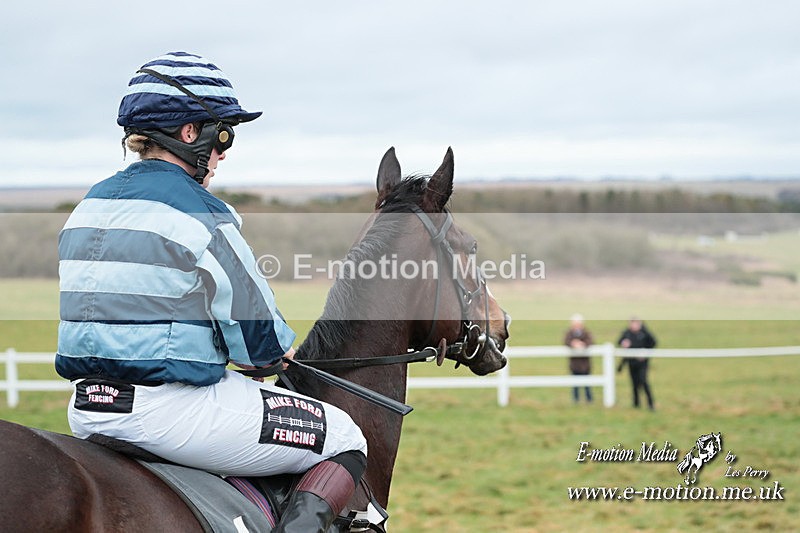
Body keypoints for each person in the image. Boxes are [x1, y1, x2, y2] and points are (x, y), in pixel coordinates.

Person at [55, 51, 367, 532]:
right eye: (223, 135)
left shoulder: (89, 205)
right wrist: (267, 359)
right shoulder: (203, 212)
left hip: (89, 408)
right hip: (170, 413)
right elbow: (258, 342)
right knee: (346, 437)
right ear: (189, 133)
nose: (222, 155)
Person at [617, 317, 657, 410]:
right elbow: (619, 341)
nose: (634, 326)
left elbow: (653, 342)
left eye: (636, 324)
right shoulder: (627, 333)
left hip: (642, 363)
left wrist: (646, 353)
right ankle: (636, 404)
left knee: (643, 381)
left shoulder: (644, 333)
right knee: (634, 383)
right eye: (632, 324)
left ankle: (650, 403)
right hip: (631, 362)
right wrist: (623, 343)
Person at [564, 314, 593, 403]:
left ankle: (589, 399)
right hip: (574, 364)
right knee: (575, 384)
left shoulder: (586, 333)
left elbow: (590, 341)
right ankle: (575, 400)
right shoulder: (569, 333)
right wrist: (573, 343)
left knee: (587, 383)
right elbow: (566, 341)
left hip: (585, 364)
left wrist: (582, 344)